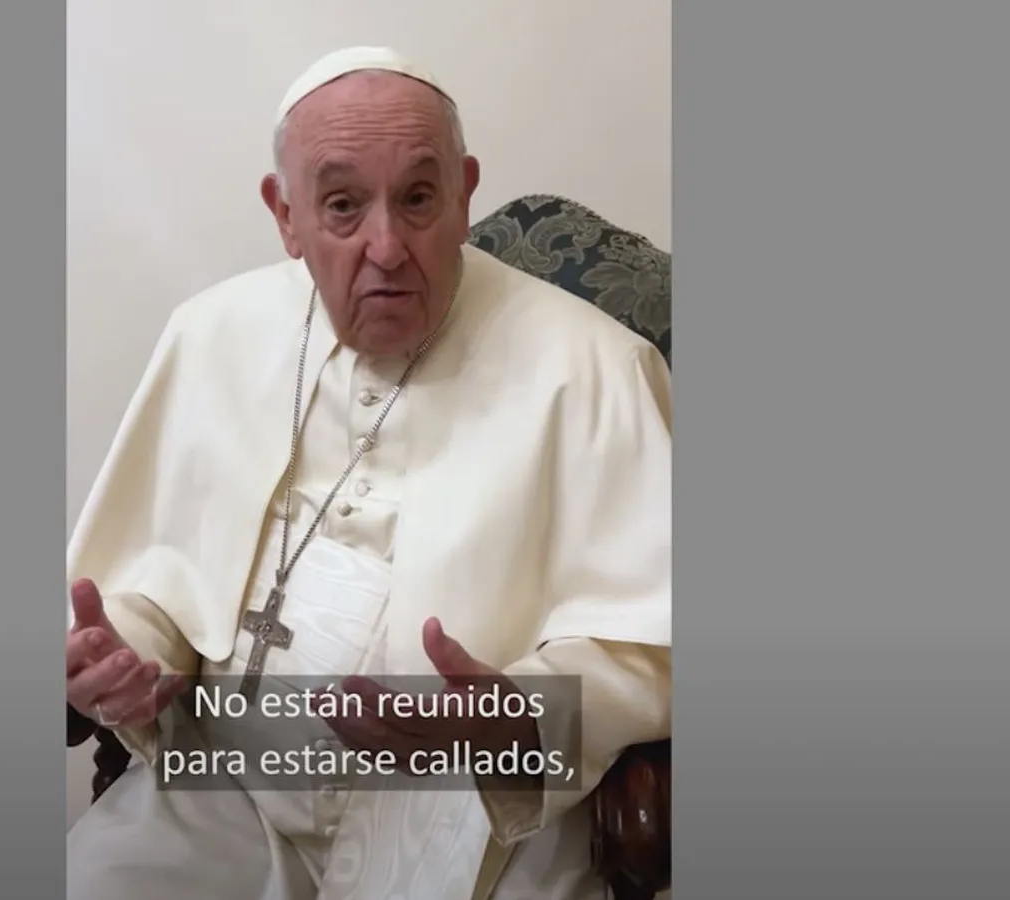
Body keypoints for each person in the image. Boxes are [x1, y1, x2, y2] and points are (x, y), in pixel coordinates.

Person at [64, 46, 671, 900]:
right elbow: (157, 581)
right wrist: (127, 654)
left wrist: (510, 715)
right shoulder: (212, 334)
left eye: (418, 198)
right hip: (228, 789)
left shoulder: (598, 368)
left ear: (464, 193)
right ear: (286, 215)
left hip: (473, 822)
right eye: (343, 206)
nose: (387, 248)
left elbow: (651, 653)